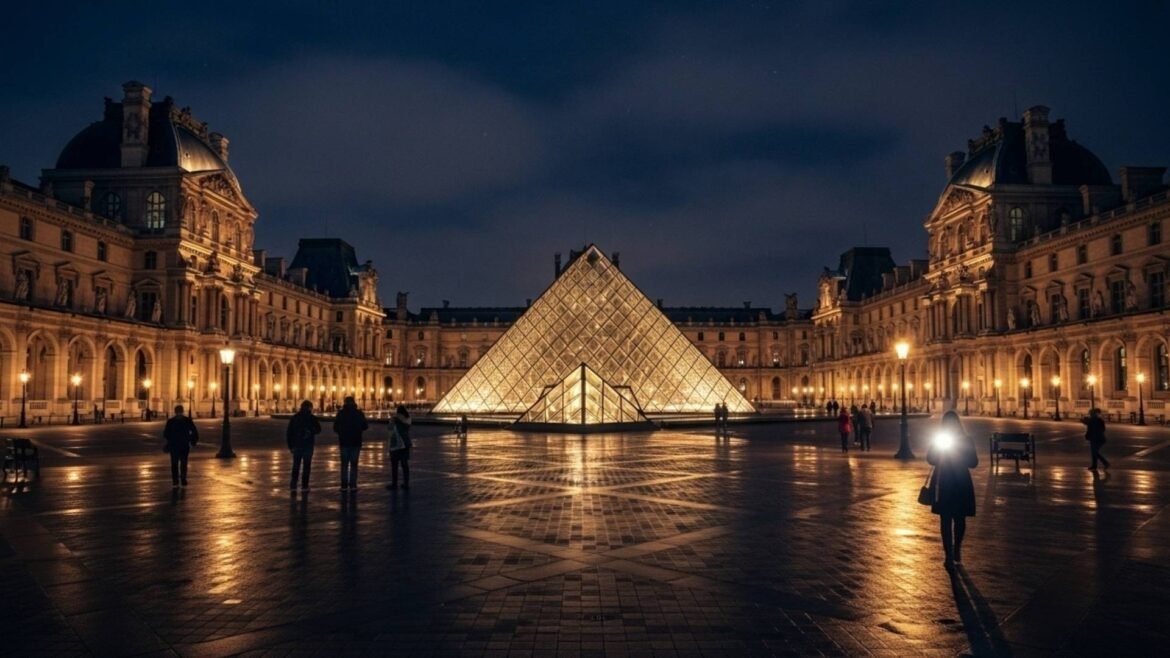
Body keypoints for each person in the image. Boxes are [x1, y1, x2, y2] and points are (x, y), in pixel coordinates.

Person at [926, 411, 978, 570]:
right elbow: (931, 459)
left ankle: (954, 549)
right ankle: (950, 553)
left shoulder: (966, 440)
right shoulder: (941, 439)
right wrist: (939, 449)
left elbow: (973, 462)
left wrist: (959, 452)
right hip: (952, 482)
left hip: (952, 482)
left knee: (954, 520)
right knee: (950, 519)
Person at [334, 396, 368, 491]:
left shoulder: (341, 413)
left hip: (344, 441)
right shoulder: (359, 413)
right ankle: (353, 485)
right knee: (354, 464)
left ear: (344, 403)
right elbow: (365, 426)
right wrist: (358, 430)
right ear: (354, 403)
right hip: (356, 441)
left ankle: (344, 485)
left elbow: (335, 427)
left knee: (344, 464)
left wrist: (341, 432)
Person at [286, 400, 321, 491]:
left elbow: (289, 433)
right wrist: (311, 431)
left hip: (297, 445)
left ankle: (293, 484)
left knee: (296, 466)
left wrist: (291, 446)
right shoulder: (312, 418)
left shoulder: (295, 417)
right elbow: (318, 429)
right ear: (310, 408)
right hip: (308, 445)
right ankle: (304, 485)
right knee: (306, 466)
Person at [163, 405, 198, 487]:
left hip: (174, 445)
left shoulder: (171, 421)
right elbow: (194, 431)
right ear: (182, 411)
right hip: (184, 444)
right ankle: (183, 479)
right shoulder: (187, 420)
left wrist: (170, 440)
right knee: (184, 462)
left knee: (174, 464)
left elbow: (166, 433)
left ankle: (175, 481)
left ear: (175, 412)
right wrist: (192, 440)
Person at [387, 405, 412, 490]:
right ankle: (406, 483)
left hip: (396, 444)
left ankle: (394, 484)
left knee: (394, 466)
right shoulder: (408, 419)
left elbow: (389, 430)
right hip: (405, 444)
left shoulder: (394, 419)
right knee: (405, 465)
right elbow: (407, 428)